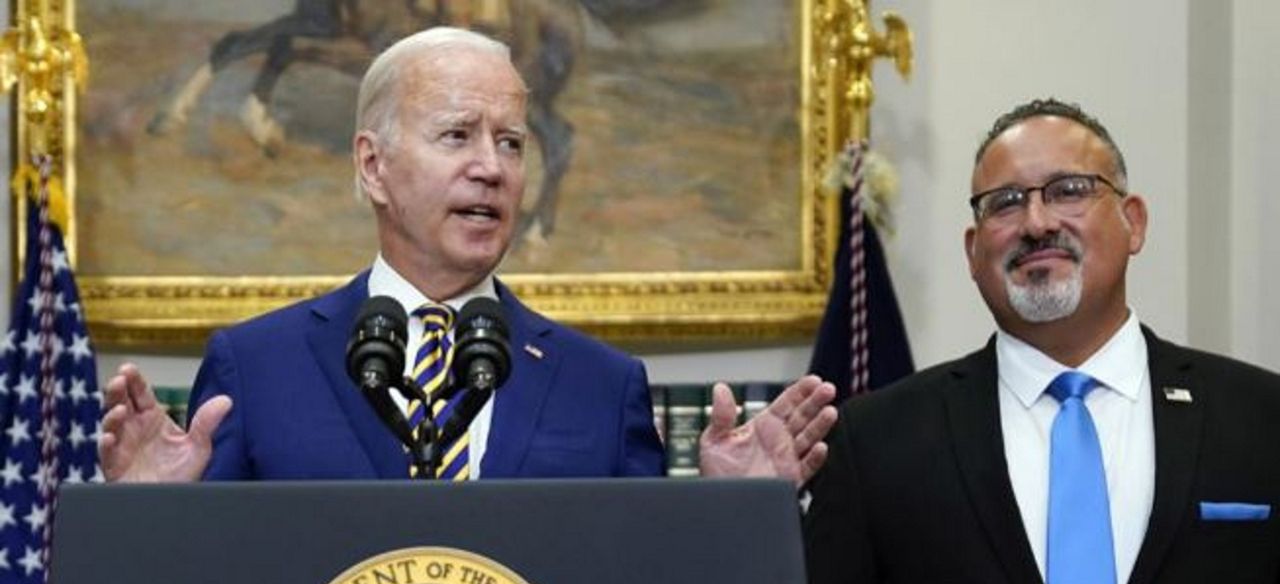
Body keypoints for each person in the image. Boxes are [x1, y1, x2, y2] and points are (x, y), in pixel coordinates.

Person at [98, 26, 837, 484]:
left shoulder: (603, 388)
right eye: (457, 135)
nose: (492, 166)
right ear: (373, 166)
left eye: (511, 142)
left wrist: (739, 512)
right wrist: (142, 518)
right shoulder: (256, 370)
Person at [803, 98, 1280, 584]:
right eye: (1004, 202)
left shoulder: (1261, 418)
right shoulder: (873, 440)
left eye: (1068, 191)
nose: (1035, 222)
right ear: (974, 251)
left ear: (1133, 222)